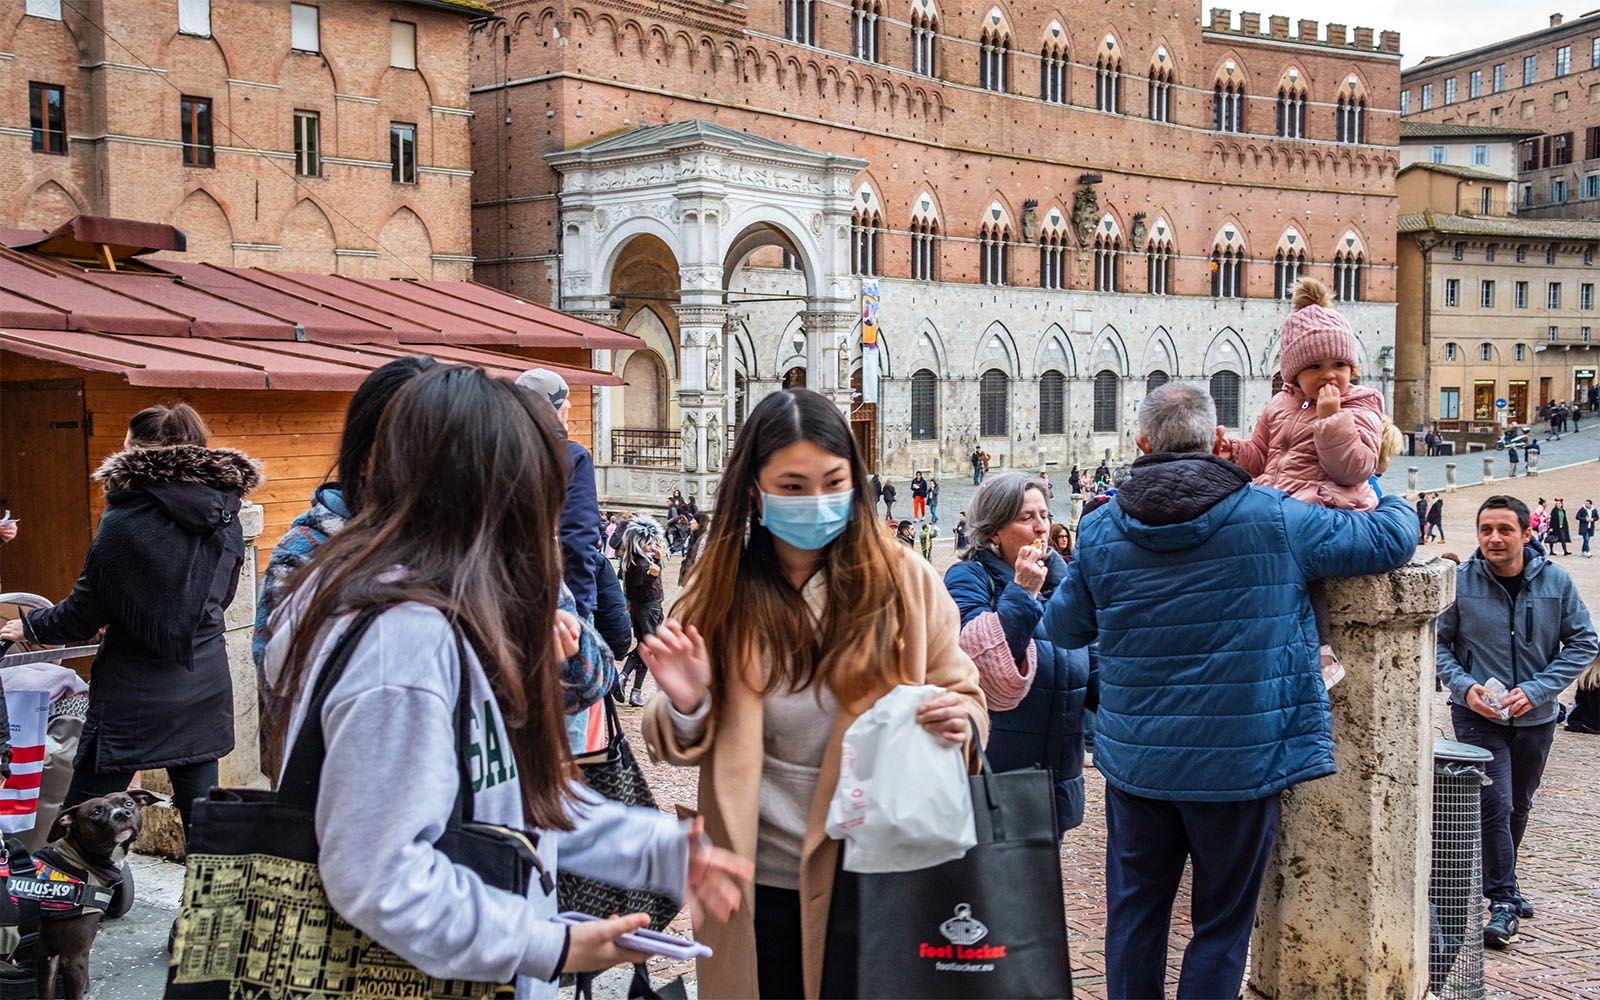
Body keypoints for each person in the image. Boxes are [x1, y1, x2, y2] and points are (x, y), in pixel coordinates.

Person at [262, 364, 751, 994]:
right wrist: (550, 944)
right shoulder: (403, 644)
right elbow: (380, 877)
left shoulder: (452, 616)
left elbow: (507, 800)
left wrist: (656, 847)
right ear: (484, 495)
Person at [1043, 382, 1417, 1000]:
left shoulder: (1103, 527)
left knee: (1135, 914)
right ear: (1217, 441)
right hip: (1240, 762)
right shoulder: (1272, 515)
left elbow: (1063, 627)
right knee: (1220, 924)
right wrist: (1392, 495)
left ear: (1142, 444)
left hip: (1139, 762)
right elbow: (1384, 540)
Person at [636, 388, 985, 1000]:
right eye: (792, 487)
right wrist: (691, 701)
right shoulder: (718, 590)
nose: (817, 502)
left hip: (874, 864)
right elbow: (668, 736)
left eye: (832, 482)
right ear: (754, 489)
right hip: (754, 872)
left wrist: (960, 722)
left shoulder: (903, 580)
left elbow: (963, 692)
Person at [1, 404, 262, 834]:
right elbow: (220, 596)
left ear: (135, 450)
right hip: (204, 684)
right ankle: (213, 903)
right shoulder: (226, 513)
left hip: (134, 693)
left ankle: (59, 898)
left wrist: (31, 624)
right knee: (204, 824)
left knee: (80, 819)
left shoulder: (125, 518)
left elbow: (85, 611)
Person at [253, 357, 435, 772]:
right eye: (412, 446)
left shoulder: (484, 541)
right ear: (365, 458)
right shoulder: (307, 554)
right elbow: (280, 692)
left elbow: (587, 676)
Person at [1436, 495, 1598, 950]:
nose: (1494, 538)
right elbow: (1438, 644)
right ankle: (1503, 900)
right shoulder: (1461, 584)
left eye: (1505, 529)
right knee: (1496, 802)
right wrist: (1465, 687)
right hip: (1476, 715)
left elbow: (1585, 643)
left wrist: (1537, 690)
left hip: (1536, 716)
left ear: (1527, 534)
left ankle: (1506, 879)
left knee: (1519, 804)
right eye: (1486, 529)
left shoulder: (1557, 582)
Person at [1218, 276, 1383, 691]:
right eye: (1315, 366)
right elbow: (1260, 457)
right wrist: (1232, 452)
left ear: (1353, 368)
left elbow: (1356, 467)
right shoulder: (1279, 404)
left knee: (1290, 553)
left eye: (1339, 365)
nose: (1329, 375)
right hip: (1281, 502)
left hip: (1329, 506)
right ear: (1293, 372)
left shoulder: (1361, 404)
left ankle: (1321, 649)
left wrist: (1331, 419)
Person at [944, 472, 1090, 840]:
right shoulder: (969, 579)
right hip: (995, 781)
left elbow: (1096, 673)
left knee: (1039, 892)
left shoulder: (1065, 585)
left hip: (1053, 780)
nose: (1041, 527)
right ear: (994, 531)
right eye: (1026, 518)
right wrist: (1022, 592)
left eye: (1044, 514)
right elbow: (981, 661)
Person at [517, 369, 602, 621]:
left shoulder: (498, 449)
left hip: (505, 592)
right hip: (556, 595)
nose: (570, 404)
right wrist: (581, 611)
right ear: (552, 406)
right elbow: (578, 536)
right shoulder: (572, 456)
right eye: (564, 397)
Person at [619, 516, 666, 707]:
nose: (652, 545)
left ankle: (634, 691)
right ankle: (624, 678)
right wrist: (652, 575)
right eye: (648, 542)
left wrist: (657, 562)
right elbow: (643, 590)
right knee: (648, 648)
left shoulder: (635, 561)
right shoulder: (640, 564)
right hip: (648, 609)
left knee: (645, 646)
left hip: (641, 610)